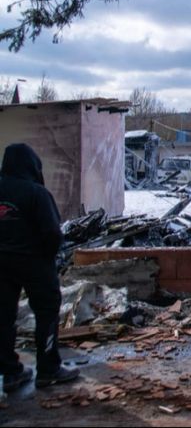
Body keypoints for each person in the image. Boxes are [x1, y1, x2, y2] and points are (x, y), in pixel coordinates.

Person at [0, 143, 79, 391]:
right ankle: (48, 369)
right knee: (47, 313)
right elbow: (53, 233)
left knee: (3, 317)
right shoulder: (36, 193)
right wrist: (46, 257)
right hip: (34, 262)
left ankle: (10, 372)